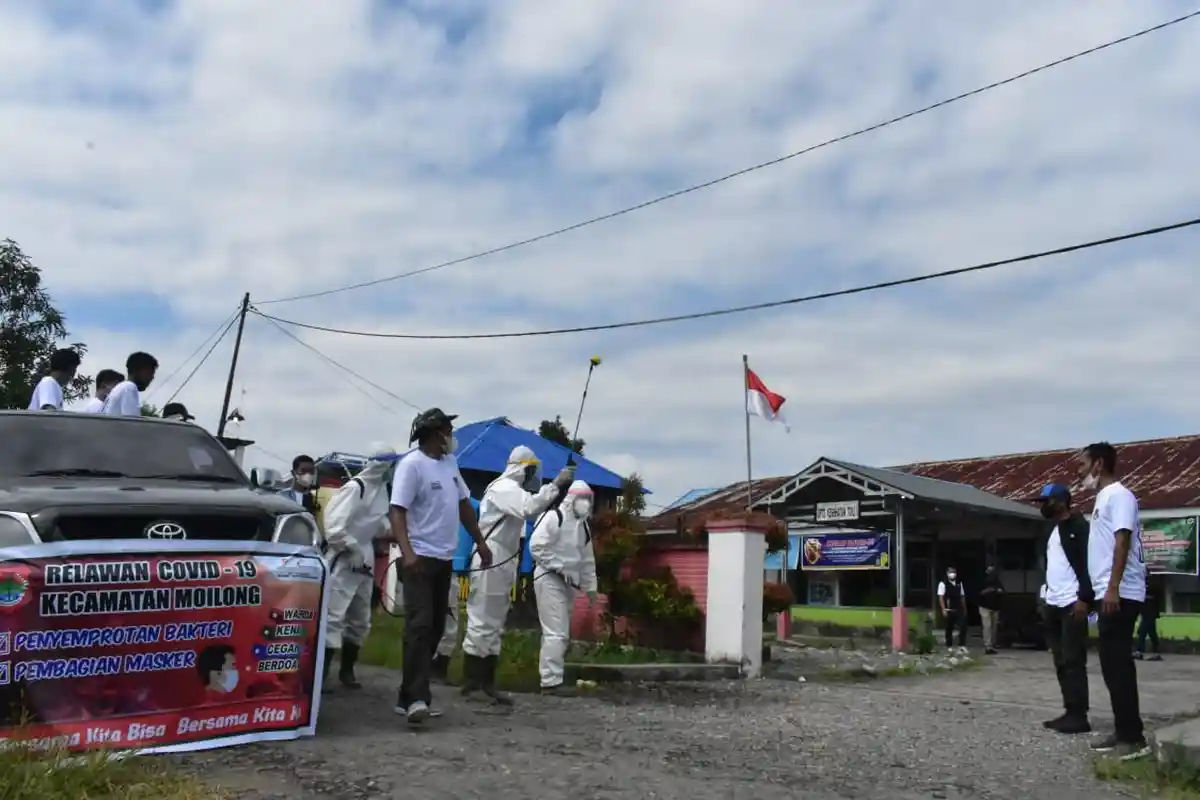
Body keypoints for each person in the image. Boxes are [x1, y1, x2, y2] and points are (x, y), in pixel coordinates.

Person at [389, 408, 493, 725]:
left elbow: (463, 505)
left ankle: (408, 694)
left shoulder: (449, 464)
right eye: (449, 429)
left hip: (444, 558)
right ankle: (419, 698)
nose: (452, 435)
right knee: (419, 626)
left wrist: (481, 541)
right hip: (418, 558)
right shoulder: (411, 466)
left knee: (435, 627)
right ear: (436, 433)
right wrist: (407, 553)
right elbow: (397, 511)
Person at [461, 446, 575, 705]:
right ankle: (472, 684)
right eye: (531, 470)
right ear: (524, 467)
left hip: (503, 559)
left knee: (495, 622)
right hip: (491, 557)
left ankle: (486, 684)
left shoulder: (512, 491)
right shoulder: (504, 489)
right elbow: (530, 508)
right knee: (482, 620)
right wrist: (556, 484)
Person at [1079, 441, 1148, 758]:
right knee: (1111, 664)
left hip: (1120, 593)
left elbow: (1123, 541)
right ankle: (1123, 730)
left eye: (1083, 464)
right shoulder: (1102, 499)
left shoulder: (1120, 496)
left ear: (1098, 464)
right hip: (1108, 592)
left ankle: (1133, 737)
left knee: (1118, 665)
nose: (1080, 472)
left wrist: (1112, 588)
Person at [320, 443, 400, 693]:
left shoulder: (381, 492)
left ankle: (347, 670)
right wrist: (351, 548)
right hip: (343, 559)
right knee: (333, 616)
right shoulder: (355, 488)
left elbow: (377, 525)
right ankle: (320, 677)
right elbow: (333, 526)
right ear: (381, 465)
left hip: (363, 559)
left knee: (360, 618)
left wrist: (398, 532)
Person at [530, 479, 598, 696]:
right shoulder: (554, 518)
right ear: (572, 499)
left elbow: (587, 560)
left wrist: (591, 587)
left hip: (569, 584)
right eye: (583, 499)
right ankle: (550, 682)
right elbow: (536, 547)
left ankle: (552, 677)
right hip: (549, 578)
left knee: (560, 632)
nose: (586, 504)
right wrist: (559, 567)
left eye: (588, 500)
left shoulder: (583, 527)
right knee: (556, 632)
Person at [1037, 483, 1094, 735]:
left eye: (1046, 501)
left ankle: (1079, 715)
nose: (1042, 506)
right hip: (1053, 603)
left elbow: (1089, 564)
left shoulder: (1080, 528)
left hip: (1073, 603)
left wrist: (1085, 598)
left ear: (1060, 501)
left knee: (1073, 660)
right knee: (1060, 660)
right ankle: (1069, 710)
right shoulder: (1052, 530)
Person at [432, 495, 480, 683]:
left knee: (448, 619)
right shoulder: (474, 506)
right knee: (445, 619)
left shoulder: (470, 506)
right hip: (447, 566)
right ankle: (435, 666)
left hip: (451, 567)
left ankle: (438, 667)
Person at [937, 566, 968, 650]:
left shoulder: (959, 583)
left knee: (963, 626)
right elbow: (941, 598)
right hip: (948, 609)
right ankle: (949, 646)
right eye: (950, 572)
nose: (952, 574)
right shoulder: (943, 583)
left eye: (954, 572)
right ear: (947, 573)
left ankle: (962, 645)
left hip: (958, 608)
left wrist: (964, 608)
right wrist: (943, 609)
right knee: (949, 628)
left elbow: (962, 596)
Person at [1134, 573, 1163, 662]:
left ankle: (1140, 651)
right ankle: (1156, 653)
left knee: (1142, 631)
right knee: (1151, 632)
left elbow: (1156, 591)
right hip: (1145, 607)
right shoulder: (1143, 579)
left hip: (1151, 608)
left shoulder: (1155, 579)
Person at [977, 564, 1005, 655]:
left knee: (994, 628)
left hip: (995, 607)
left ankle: (992, 645)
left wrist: (998, 591)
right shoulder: (982, 581)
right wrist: (989, 590)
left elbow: (1002, 591)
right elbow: (979, 593)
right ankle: (988, 646)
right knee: (987, 626)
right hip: (984, 607)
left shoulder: (997, 581)